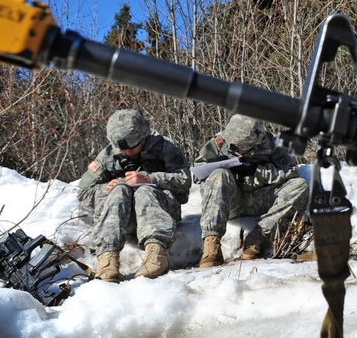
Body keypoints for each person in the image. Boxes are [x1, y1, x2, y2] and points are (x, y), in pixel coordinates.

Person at [78, 109, 191, 282]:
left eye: (132, 147)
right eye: (123, 149)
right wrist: (104, 188)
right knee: (119, 190)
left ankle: (156, 255)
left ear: (144, 137)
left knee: (145, 189)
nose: (127, 152)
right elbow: (84, 192)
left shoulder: (165, 148)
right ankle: (107, 260)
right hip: (123, 219)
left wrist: (150, 179)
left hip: (161, 214)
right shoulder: (107, 156)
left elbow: (185, 179)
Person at [194, 115, 308, 267]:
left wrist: (257, 171)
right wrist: (217, 166)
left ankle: (257, 237)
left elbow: (290, 172)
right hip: (229, 202)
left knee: (299, 185)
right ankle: (211, 245)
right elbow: (197, 174)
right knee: (218, 175)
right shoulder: (219, 142)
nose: (239, 151)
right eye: (235, 148)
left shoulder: (273, 144)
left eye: (242, 149)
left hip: (260, 199)